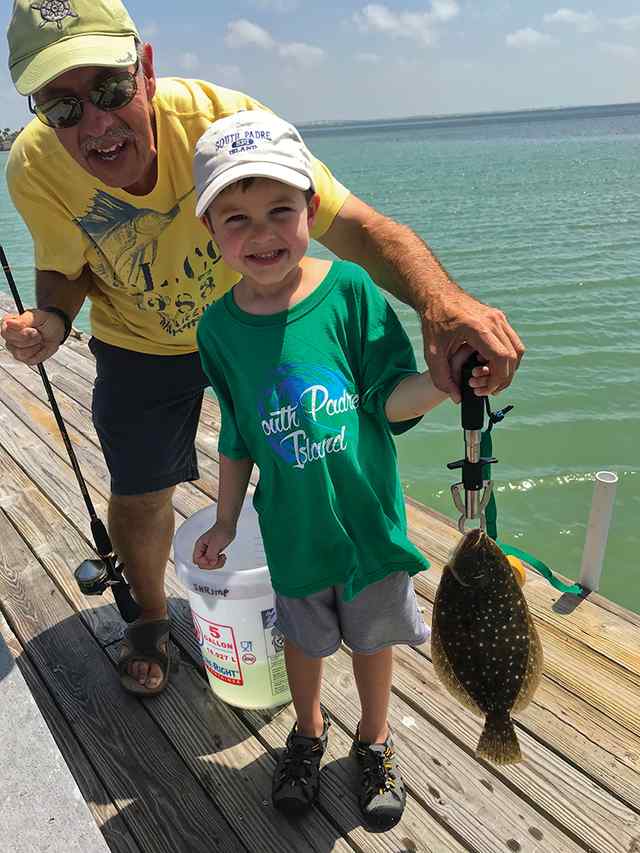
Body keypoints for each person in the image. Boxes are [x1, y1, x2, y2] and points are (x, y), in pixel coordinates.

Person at [2, 0, 522, 697]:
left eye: (108, 90)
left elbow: (358, 228)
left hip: (258, 322)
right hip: (139, 339)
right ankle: (151, 617)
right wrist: (54, 323)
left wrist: (440, 300)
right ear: (38, 111)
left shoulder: (229, 125)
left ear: (147, 71)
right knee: (138, 488)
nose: (94, 123)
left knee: (312, 445)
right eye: (62, 107)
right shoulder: (34, 165)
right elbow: (66, 268)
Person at [190, 110, 493, 829]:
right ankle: (308, 728)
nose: (260, 234)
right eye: (235, 219)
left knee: (372, 637)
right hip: (292, 532)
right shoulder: (217, 329)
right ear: (209, 231)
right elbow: (236, 436)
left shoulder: (351, 290)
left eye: (279, 211)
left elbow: (388, 400)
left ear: (312, 209)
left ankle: (375, 737)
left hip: (368, 526)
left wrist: (443, 382)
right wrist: (227, 519)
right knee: (301, 639)